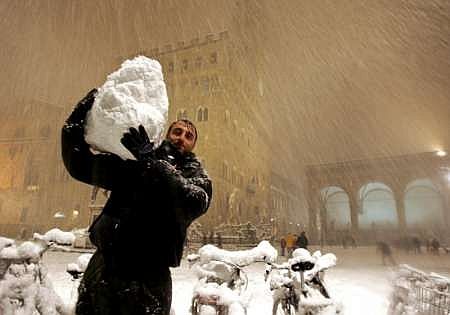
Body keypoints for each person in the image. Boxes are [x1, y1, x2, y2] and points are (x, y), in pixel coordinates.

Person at [61, 89, 212, 315]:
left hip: (149, 280)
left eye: (189, 136)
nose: (181, 138)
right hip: (104, 270)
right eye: (177, 131)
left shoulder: (197, 177)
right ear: (166, 134)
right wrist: (80, 114)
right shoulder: (134, 163)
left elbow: (191, 201)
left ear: (193, 145)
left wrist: (153, 162)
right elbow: (79, 164)